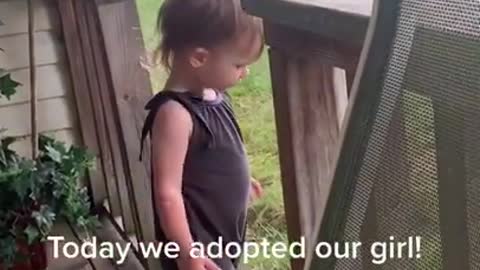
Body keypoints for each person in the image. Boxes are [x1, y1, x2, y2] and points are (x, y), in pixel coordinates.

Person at [139, 0, 264, 269]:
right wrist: (187, 252)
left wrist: (240, 180)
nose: (245, 73)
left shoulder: (214, 96)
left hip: (222, 235)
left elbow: (217, 155)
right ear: (199, 58)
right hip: (198, 243)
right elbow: (167, 192)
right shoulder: (175, 115)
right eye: (238, 65)